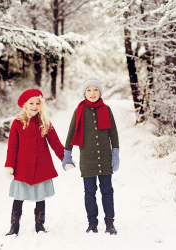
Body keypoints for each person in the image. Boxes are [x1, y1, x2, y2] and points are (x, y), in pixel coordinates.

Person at [62, 78, 119, 235]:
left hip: (105, 158)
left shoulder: (107, 110)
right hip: (87, 158)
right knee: (89, 191)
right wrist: (67, 154)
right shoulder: (79, 111)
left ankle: (109, 222)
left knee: (107, 190)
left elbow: (113, 133)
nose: (92, 93)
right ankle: (92, 223)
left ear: (100, 92)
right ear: (84, 93)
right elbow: (71, 132)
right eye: (89, 90)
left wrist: (116, 152)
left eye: (95, 90)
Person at [4, 88, 65, 236]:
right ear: (25, 105)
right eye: (31, 103)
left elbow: (55, 142)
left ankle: (40, 225)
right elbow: (12, 146)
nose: (34, 106)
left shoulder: (45, 122)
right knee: (19, 197)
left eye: (37, 103)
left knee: (40, 196)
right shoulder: (17, 123)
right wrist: (9, 166)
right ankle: (14, 227)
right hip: (22, 168)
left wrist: (65, 158)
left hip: (41, 166)